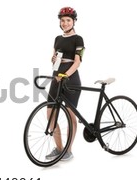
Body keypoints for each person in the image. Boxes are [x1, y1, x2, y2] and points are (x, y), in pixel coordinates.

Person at [46, 7, 84, 161]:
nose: (65, 23)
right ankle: (59, 148)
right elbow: (52, 56)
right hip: (56, 78)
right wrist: (53, 59)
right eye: (62, 20)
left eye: (68, 20)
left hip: (71, 79)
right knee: (50, 113)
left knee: (70, 115)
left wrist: (65, 74)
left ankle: (68, 150)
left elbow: (77, 62)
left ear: (74, 21)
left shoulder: (78, 39)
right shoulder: (57, 38)